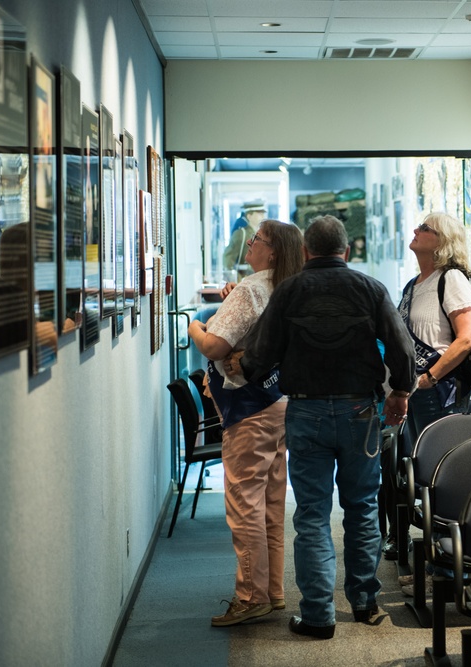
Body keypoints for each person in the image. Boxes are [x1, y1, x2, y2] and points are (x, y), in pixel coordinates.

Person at [233, 214, 416, 639]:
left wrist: (257, 376)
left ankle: (317, 616)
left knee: (312, 515)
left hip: (306, 412)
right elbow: (402, 348)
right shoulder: (370, 289)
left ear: (304, 252)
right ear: (346, 252)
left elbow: (258, 356)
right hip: (359, 414)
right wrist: (400, 393)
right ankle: (366, 603)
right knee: (362, 508)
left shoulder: (290, 290)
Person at [187, 218, 305, 627]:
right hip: (278, 404)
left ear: (271, 251)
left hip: (248, 410)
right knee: (271, 502)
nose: (249, 244)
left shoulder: (253, 289)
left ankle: (251, 596)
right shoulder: (286, 288)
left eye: (256, 240)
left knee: (244, 505)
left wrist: (195, 327)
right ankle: (272, 592)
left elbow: (217, 345)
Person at [391, 212, 471, 567]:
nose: (415, 230)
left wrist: (430, 377)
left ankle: (450, 549)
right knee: (415, 472)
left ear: (441, 241)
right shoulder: (414, 285)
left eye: (425, 228)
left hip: (438, 393)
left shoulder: (452, 279)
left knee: (443, 472)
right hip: (415, 392)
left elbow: (466, 338)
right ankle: (424, 544)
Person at [222, 199, 267, 279]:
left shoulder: (264, 235)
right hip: (245, 278)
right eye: (259, 213)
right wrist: (235, 280)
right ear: (249, 216)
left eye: (263, 213)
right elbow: (228, 260)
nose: (263, 216)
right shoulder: (241, 234)